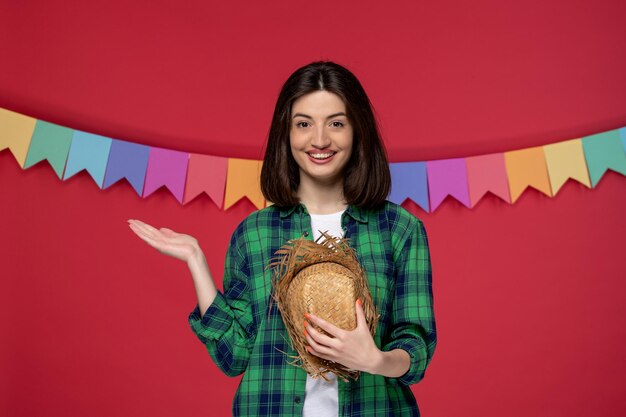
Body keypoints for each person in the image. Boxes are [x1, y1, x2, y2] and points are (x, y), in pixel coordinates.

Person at [128, 61, 436, 417]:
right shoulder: (255, 233)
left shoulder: (399, 229)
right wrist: (195, 259)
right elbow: (235, 357)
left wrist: (375, 359)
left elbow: (415, 350)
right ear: (286, 134)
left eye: (336, 123)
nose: (319, 140)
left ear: (357, 130)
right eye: (303, 124)